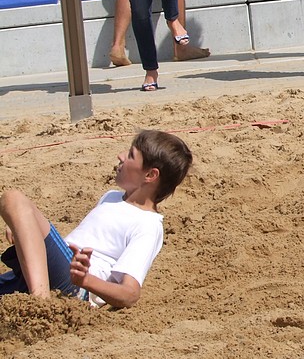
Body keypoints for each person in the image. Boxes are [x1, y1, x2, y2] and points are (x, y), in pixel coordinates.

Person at [1, 130, 192, 308]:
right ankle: (38, 296)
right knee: (19, 207)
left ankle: (40, 304)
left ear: (150, 175)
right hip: (50, 274)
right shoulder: (111, 196)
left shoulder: (148, 225)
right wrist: (24, 225)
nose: (120, 156)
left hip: (77, 286)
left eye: (131, 155)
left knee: (13, 198)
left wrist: (86, 280)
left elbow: (130, 293)